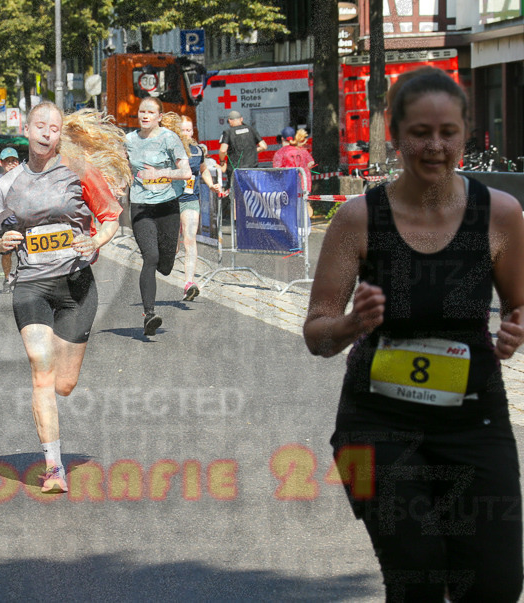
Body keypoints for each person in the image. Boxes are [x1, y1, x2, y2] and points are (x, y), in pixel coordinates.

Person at [303, 67, 524, 602]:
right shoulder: (357, 219)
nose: (434, 145)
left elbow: (520, 304)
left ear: (465, 132)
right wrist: (352, 324)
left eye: (448, 132)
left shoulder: (499, 214)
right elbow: (316, 333)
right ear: (394, 132)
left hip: (474, 420)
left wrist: (517, 325)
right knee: (418, 569)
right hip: (374, 424)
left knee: (495, 582)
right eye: (420, 132)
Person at [0, 103, 129, 493]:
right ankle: (54, 468)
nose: (46, 133)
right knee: (41, 371)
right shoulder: (6, 185)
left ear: (61, 134)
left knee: (64, 384)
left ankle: (56, 447)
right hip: (31, 284)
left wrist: (93, 239)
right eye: (40, 126)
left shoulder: (78, 171)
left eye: (54, 128)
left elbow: (111, 216)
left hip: (76, 285)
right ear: (26, 130)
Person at [125, 97, 193, 335]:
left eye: (150, 112)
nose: (145, 116)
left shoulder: (169, 138)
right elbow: (122, 169)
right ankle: (149, 315)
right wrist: (117, 184)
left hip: (167, 206)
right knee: (150, 257)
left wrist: (158, 173)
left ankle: (166, 261)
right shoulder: (129, 140)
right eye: (141, 111)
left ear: (159, 116)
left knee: (165, 264)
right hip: (141, 207)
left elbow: (186, 172)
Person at [161, 112, 221, 301]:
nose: (187, 133)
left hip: (189, 199)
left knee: (190, 239)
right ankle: (167, 256)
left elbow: (203, 170)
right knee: (172, 243)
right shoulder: (167, 148)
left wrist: (211, 185)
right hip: (169, 200)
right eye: (183, 130)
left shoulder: (197, 150)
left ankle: (189, 284)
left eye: (189, 129)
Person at [0, 147, 21, 294]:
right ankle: (7, 279)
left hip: (22, 221)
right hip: (6, 223)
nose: (11, 164)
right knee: (6, 253)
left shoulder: (25, 177)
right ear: (1, 163)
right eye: (8, 162)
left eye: (14, 161)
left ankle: (22, 279)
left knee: (24, 253)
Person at [273, 126, 315, 221]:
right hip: (304, 184)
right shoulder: (302, 150)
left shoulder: (280, 153)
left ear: (282, 138)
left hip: (288, 186)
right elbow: (311, 163)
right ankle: (305, 229)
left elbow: (277, 169)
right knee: (303, 207)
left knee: (289, 210)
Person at [218, 109, 267, 179]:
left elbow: (222, 150)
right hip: (252, 169)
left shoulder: (228, 132)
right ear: (241, 119)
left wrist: (222, 161)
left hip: (236, 171)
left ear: (229, 120)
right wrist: (251, 151)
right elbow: (264, 146)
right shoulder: (251, 129)